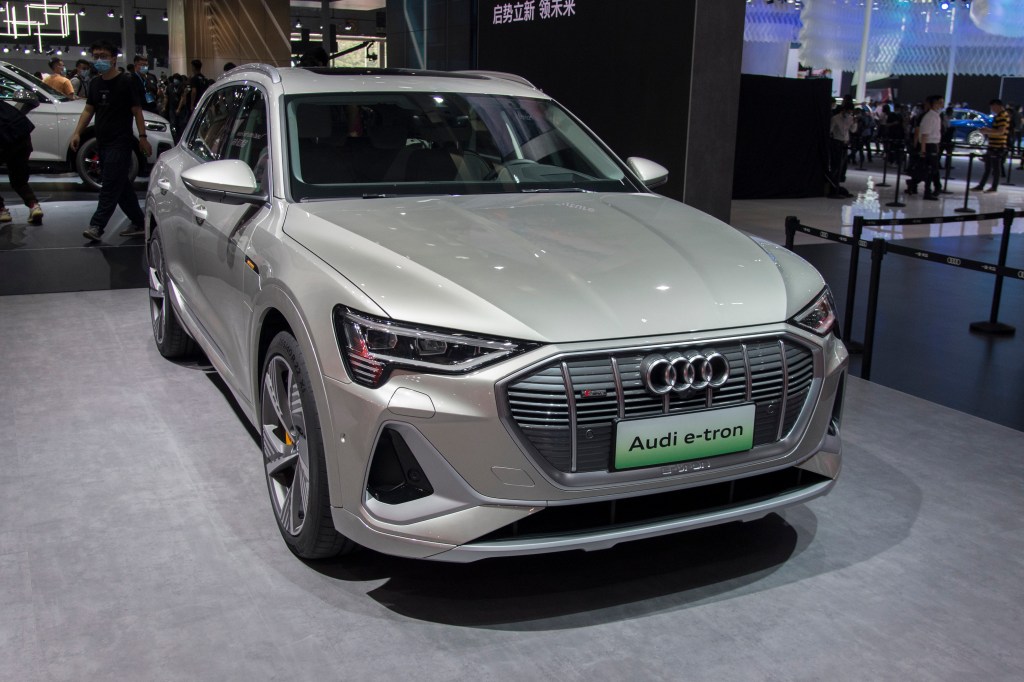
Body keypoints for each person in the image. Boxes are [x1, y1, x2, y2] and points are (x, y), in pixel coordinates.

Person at [69, 40, 152, 242]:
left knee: (109, 185)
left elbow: (137, 111)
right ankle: (141, 223)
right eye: (96, 56)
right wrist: (77, 132)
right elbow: (89, 110)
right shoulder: (96, 83)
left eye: (103, 56)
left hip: (121, 142)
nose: (99, 60)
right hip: (103, 142)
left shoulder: (126, 81)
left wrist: (142, 137)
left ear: (114, 58)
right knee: (120, 185)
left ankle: (97, 225)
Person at [0, 96, 44, 225]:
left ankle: (1, 211)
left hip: (4, 140)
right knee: (19, 180)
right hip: (21, 137)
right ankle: (34, 206)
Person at [907, 95, 944, 200]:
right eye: (940, 102)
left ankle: (916, 184)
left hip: (932, 145)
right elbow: (924, 134)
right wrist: (922, 150)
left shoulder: (936, 115)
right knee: (929, 170)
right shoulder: (929, 116)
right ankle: (926, 190)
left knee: (930, 169)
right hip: (928, 145)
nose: (942, 104)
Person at [974, 98, 1010, 193]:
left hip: (998, 146)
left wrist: (987, 131)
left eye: (992, 107)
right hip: (994, 145)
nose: (992, 109)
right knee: (989, 167)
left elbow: (1001, 131)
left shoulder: (1003, 116)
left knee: (995, 168)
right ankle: (982, 186)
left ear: (997, 105)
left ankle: (993, 187)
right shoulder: (999, 116)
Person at [828, 100, 855, 197]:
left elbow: (853, 130)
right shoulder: (835, 118)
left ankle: (838, 183)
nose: (848, 113)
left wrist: (854, 123)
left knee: (843, 165)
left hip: (845, 143)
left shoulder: (850, 118)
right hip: (836, 142)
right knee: (836, 164)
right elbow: (830, 130)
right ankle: (832, 184)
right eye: (848, 111)